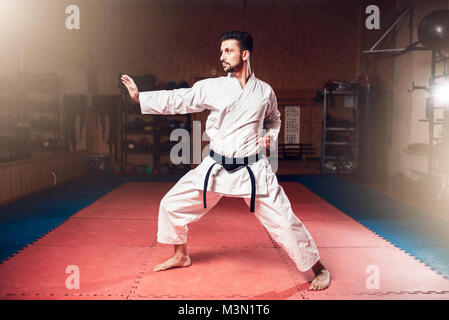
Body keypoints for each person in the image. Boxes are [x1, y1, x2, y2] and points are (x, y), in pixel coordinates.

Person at [121, 31, 330, 290]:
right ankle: (180, 254)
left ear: (245, 54)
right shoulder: (213, 87)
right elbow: (181, 99)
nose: (222, 56)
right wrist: (141, 98)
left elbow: (274, 119)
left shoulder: (264, 91)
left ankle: (319, 268)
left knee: (286, 221)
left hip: (253, 169)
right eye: (221, 52)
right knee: (171, 204)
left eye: (228, 51)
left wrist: (270, 136)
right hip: (216, 166)